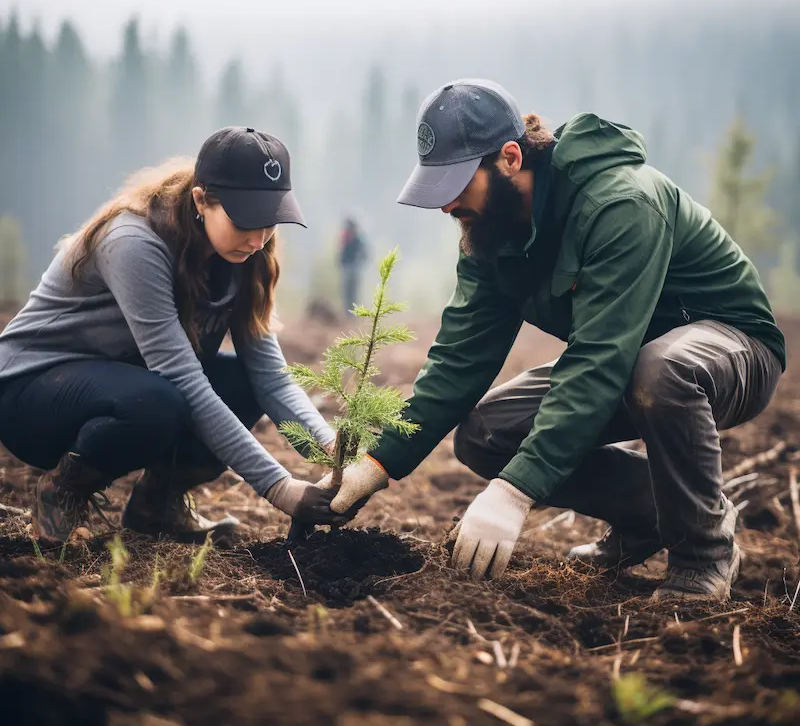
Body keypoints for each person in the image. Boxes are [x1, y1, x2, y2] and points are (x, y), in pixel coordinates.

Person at [314, 79, 786, 603]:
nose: (446, 205)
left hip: (730, 348)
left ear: (511, 158)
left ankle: (703, 552)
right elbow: (459, 361)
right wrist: (378, 462)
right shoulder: (489, 234)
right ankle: (653, 511)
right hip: (628, 360)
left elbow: (599, 358)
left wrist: (516, 492)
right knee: (486, 434)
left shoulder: (621, 203)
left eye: (456, 184)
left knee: (661, 370)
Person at [0, 127, 346, 544]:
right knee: (159, 401)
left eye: (269, 222)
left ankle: (156, 505)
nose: (257, 240)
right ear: (202, 199)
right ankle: (62, 493)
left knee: (242, 383)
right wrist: (281, 488)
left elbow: (270, 377)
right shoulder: (133, 242)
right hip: (31, 395)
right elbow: (183, 379)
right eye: (244, 222)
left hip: (124, 381)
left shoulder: (245, 255)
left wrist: (332, 450)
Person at [338, 217, 368, 318]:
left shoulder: (358, 241)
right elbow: (341, 255)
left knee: (353, 294)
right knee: (347, 294)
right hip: (347, 269)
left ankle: (353, 315)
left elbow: (365, 255)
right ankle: (348, 315)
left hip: (354, 270)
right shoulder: (346, 239)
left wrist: (358, 264)